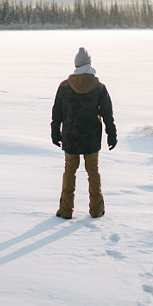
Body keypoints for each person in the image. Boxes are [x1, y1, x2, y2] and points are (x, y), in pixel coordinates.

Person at [51, 46, 117, 219]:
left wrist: (55, 133)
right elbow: (107, 114)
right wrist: (111, 135)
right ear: (89, 64)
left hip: (71, 137)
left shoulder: (64, 86)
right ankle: (96, 210)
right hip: (91, 138)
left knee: (69, 172)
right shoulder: (99, 87)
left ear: (76, 66)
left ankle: (65, 211)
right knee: (93, 172)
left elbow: (57, 112)